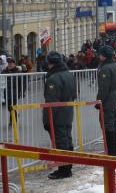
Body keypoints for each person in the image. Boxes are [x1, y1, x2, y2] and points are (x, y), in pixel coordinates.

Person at [42, 51, 77, 180]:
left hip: (57, 114)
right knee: (67, 138)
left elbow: (51, 102)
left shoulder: (53, 78)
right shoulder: (68, 74)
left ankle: (64, 169)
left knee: (60, 140)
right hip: (68, 110)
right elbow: (74, 94)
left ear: (50, 63)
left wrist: (47, 120)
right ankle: (68, 167)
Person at [96, 46, 116, 156]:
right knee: (114, 124)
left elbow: (104, 88)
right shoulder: (115, 65)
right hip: (114, 97)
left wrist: (99, 101)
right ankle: (115, 151)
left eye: (100, 54)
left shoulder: (105, 68)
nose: (99, 56)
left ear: (104, 56)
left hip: (108, 100)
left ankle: (111, 153)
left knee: (107, 125)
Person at [2, 57, 26, 126]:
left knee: (13, 107)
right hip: (6, 92)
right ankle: (13, 117)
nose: (10, 64)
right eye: (9, 63)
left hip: (15, 92)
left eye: (11, 63)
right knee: (9, 107)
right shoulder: (4, 71)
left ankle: (13, 121)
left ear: (14, 64)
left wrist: (22, 92)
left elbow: (22, 82)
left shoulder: (17, 72)